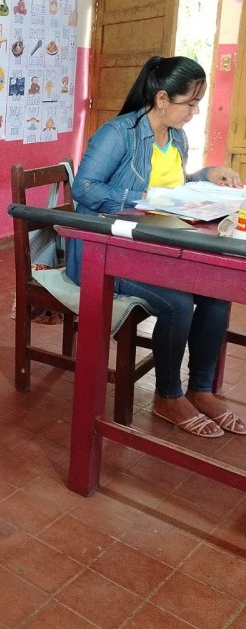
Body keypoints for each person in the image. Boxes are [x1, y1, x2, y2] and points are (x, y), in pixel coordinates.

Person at [67, 55, 245, 438]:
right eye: (190, 103)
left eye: (198, 103)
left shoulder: (176, 136)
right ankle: (168, 395)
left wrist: (205, 175)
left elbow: (174, 189)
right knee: (178, 303)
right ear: (163, 98)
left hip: (153, 247)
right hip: (107, 252)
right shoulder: (119, 134)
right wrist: (143, 196)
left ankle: (199, 389)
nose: (195, 112)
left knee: (216, 296)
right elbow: (83, 188)